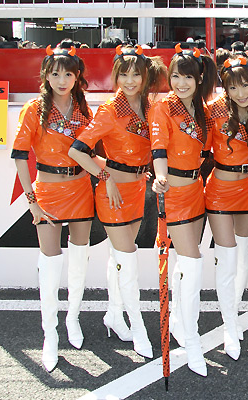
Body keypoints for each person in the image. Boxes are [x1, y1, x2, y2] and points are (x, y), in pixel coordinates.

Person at [68, 44, 166, 360]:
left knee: (119, 258)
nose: (130, 80)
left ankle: (114, 314)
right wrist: (104, 176)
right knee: (129, 260)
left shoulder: (152, 109)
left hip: (138, 189)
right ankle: (138, 327)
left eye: (136, 74)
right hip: (112, 194)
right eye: (124, 75)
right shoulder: (110, 110)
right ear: (116, 76)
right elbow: (77, 150)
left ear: (145, 76)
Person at [11, 43, 93, 372]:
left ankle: (73, 318)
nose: (62, 80)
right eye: (55, 74)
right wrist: (31, 201)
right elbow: (20, 157)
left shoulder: (84, 109)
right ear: (46, 75)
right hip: (47, 191)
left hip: (81, 188)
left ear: (77, 77)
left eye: (68, 75)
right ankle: (51, 332)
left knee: (80, 257)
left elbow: (91, 152)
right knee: (50, 262)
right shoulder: (34, 109)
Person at [150, 43, 217, 377]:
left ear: (199, 78)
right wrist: (160, 176)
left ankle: (179, 320)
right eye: (175, 76)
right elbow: (158, 148)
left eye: (187, 77)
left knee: (185, 263)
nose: (180, 83)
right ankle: (191, 338)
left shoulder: (204, 109)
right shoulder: (163, 107)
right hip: (173, 191)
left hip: (196, 191)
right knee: (192, 261)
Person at [205, 56, 248, 360]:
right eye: (232, 87)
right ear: (225, 88)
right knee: (226, 259)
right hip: (219, 189)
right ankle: (229, 325)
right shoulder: (213, 109)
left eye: (245, 85)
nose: (240, 93)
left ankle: (234, 310)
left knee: (243, 256)